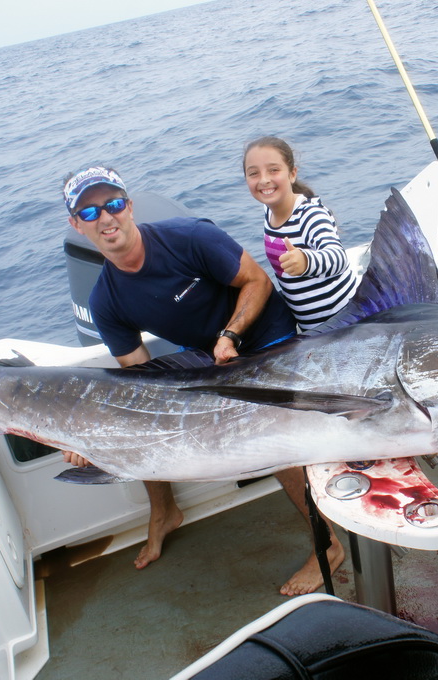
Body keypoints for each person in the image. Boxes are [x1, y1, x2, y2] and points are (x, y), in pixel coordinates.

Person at [60, 165, 345, 596]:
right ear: (77, 225)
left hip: (269, 338)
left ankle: (329, 545)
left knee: (272, 435)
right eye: (90, 211)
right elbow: (137, 383)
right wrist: (90, 439)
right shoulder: (105, 299)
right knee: (140, 424)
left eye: (114, 204)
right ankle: (163, 511)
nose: (106, 217)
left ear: (130, 207)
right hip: (213, 364)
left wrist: (230, 336)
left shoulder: (189, 237)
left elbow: (256, 281)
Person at [242, 137, 357, 331]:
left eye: (274, 170)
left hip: (346, 322)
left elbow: (338, 257)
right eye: (254, 173)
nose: (263, 180)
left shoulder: (310, 214)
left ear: (292, 174)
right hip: (312, 330)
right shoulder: (268, 212)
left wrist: (306, 261)